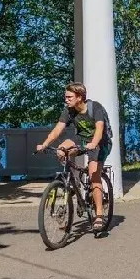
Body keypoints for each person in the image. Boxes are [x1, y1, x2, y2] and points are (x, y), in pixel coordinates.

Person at [36, 82, 113, 231]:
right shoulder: (69, 111)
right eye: (66, 97)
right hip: (82, 139)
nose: (66, 99)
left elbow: (99, 129)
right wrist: (44, 144)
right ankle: (73, 183)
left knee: (93, 175)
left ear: (79, 97)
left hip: (101, 142)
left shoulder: (95, 108)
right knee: (61, 149)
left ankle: (98, 215)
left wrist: (93, 143)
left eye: (69, 97)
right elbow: (57, 130)